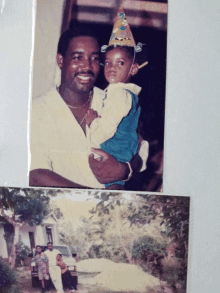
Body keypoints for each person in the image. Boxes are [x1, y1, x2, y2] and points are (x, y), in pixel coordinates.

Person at [29, 24, 148, 190]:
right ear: (61, 60)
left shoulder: (114, 101)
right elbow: (35, 174)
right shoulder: (37, 109)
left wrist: (124, 170)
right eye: (78, 58)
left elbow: (139, 154)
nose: (87, 66)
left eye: (94, 58)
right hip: (60, 211)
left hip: (111, 211)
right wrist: (94, 200)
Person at [85, 7, 147, 189]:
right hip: (120, 152)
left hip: (115, 153)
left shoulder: (119, 94)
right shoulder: (118, 93)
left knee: (111, 190)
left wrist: (93, 122)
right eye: (108, 62)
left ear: (133, 69)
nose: (112, 67)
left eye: (121, 63)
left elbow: (107, 129)